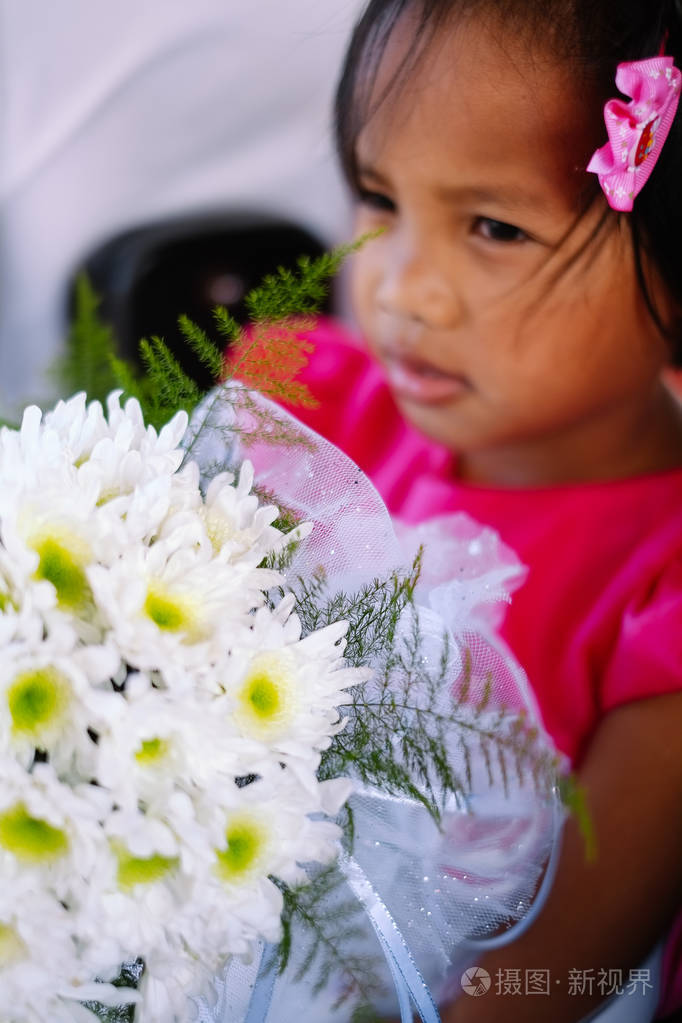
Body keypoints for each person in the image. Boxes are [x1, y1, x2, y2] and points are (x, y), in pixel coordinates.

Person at [268, 0, 682, 1019]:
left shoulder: (663, 593)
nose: (403, 288)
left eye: (493, 226)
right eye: (378, 197)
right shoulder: (327, 422)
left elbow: (550, 979)